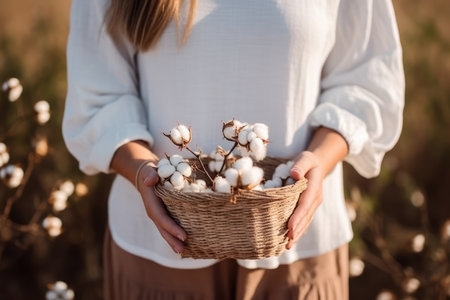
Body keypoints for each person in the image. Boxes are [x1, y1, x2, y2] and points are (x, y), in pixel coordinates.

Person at [62, 0, 404, 299]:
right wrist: (142, 172)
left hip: (297, 254)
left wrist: (320, 158)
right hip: (159, 251)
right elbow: (98, 94)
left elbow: (365, 80)